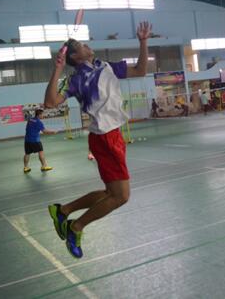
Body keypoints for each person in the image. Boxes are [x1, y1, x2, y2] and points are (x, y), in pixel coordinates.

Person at [45, 21, 152, 259]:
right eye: (82, 45)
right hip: (104, 137)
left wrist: (143, 42)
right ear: (75, 56)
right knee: (121, 196)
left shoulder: (105, 66)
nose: (87, 45)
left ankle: (63, 211)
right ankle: (75, 227)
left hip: (113, 135)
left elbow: (140, 71)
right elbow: (50, 102)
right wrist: (58, 69)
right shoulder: (74, 80)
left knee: (110, 193)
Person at [23, 109, 56, 173]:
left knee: (27, 154)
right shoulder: (38, 122)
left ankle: (25, 167)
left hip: (27, 140)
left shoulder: (30, 120)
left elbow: (27, 128)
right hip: (35, 140)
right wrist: (53, 132)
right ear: (39, 115)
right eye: (42, 114)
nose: (43, 115)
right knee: (41, 152)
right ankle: (44, 166)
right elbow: (44, 131)